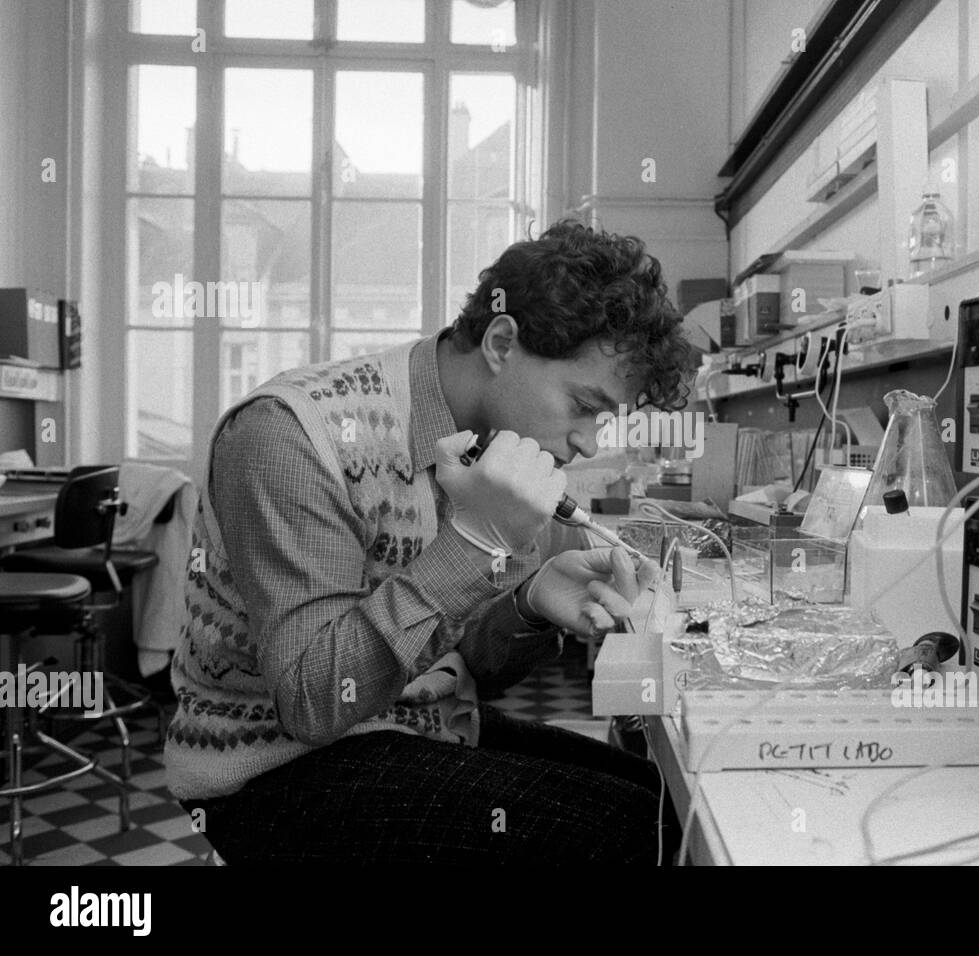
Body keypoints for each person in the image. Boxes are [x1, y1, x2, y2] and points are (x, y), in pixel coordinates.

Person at [166, 220, 697, 864]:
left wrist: (529, 608)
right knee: (633, 833)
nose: (590, 442)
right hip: (273, 771)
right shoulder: (291, 436)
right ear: (502, 341)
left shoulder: (497, 455)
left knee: (666, 801)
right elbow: (312, 700)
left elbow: (471, 662)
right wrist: (473, 546)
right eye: (585, 405)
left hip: (412, 722)